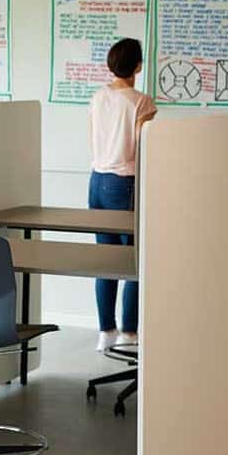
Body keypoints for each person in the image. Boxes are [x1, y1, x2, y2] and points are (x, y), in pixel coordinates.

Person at [87, 38, 156, 352]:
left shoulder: (98, 97)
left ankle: (105, 332)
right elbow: (145, 145)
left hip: (96, 181)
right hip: (124, 183)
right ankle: (129, 332)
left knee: (105, 260)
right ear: (138, 66)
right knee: (134, 260)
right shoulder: (142, 102)